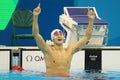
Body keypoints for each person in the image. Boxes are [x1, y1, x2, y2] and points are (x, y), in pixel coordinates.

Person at [32, 3, 95, 77]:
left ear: (63, 37)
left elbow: (86, 37)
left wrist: (91, 20)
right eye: (56, 34)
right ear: (52, 39)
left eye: (60, 34)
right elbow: (36, 34)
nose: (59, 35)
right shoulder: (47, 50)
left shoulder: (69, 50)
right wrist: (35, 16)